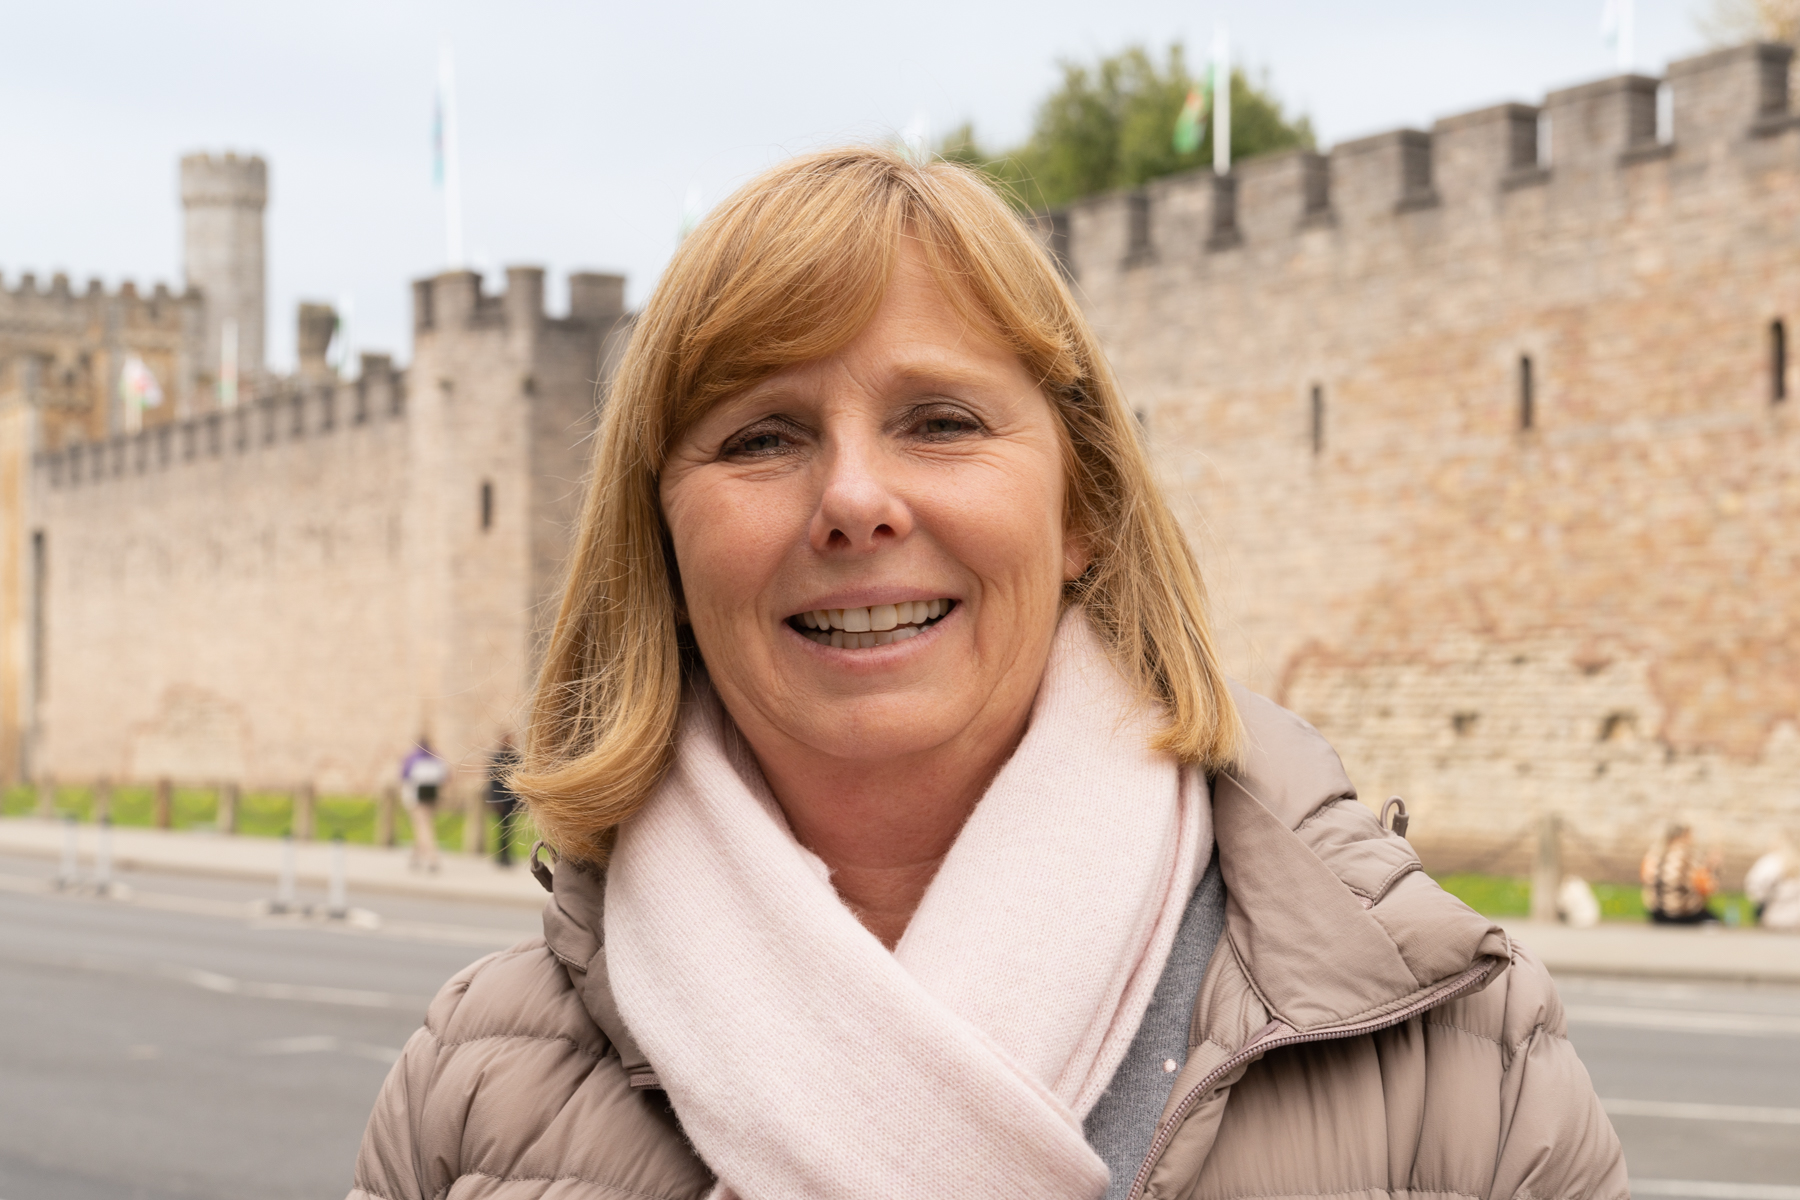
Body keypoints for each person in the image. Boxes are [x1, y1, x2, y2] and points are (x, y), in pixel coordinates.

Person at [348, 147, 1625, 1200]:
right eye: (763, 435)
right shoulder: (479, 1086)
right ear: (665, 542)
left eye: (942, 422)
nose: (853, 500)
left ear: (1083, 509)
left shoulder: (1451, 1054)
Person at [1641, 822, 1719, 924]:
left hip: (1658, 913)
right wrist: (1712, 868)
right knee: (1713, 922)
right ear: (1684, 836)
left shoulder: (1653, 856)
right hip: (1686, 914)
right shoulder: (1692, 857)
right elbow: (1707, 887)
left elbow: (1646, 880)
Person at [399, 738, 446, 873]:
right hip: (431, 796)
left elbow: (403, 775)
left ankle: (432, 857)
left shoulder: (412, 758)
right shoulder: (436, 757)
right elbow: (445, 775)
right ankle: (415, 856)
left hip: (415, 797)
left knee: (423, 826)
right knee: (423, 825)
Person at [1745, 832, 1800, 930]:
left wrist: (1762, 899)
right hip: (1796, 920)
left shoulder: (1771, 861)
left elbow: (1754, 887)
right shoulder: (1792, 860)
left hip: (1774, 919)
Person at [486, 733, 521, 867]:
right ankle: (501, 854)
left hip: (511, 800)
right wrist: (495, 800)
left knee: (509, 829)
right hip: (501, 800)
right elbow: (493, 782)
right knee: (502, 829)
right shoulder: (497, 759)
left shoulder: (514, 758)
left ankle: (507, 854)